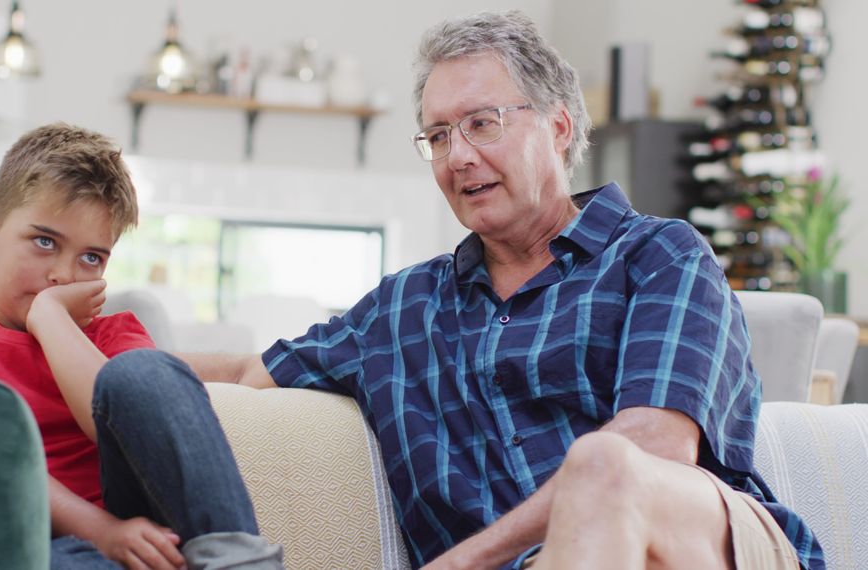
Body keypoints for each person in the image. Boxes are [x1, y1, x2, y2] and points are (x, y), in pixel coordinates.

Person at [181, 11, 823, 570]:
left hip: (706, 545)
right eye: (437, 136)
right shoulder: (405, 309)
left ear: (560, 127)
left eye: (481, 124)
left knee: (603, 468)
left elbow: (655, 451)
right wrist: (88, 338)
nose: (457, 155)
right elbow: (243, 370)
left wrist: (463, 562)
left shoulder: (658, 255)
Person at [0, 123, 282, 570]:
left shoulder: (114, 336)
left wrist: (49, 317)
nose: (64, 274)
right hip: (29, 540)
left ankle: (240, 562)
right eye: (44, 242)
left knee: (143, 371)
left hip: (145, 534)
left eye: (91, 258)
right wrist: (103, 533)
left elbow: (105, 413)